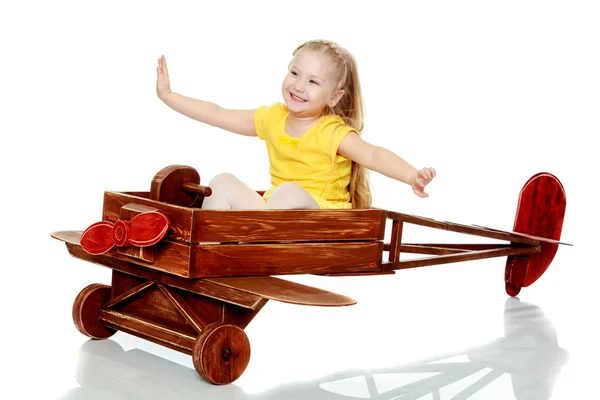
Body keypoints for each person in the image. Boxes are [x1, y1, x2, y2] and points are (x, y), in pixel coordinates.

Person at [156, 39, 436, 210]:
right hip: (276, 212)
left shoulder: (331, 132)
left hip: (320, 217)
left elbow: (374, 154)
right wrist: (169, 96)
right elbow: (218, 113)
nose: (299, 86)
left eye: (313, 81)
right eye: (295, 73)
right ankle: (211, 247)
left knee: (289, 191)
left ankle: (252, 242)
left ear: (335, 96)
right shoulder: (272, 118)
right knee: (222, 182)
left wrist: (412, 176)